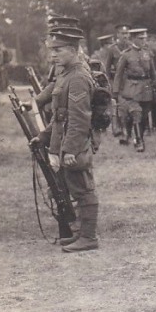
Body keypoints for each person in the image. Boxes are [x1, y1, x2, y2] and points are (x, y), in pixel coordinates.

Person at [34, 28, 101, 252]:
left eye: (59, 50)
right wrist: (44, 136)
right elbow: (60, 115)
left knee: (82, 187)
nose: (53, 55)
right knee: (72, 186)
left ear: (73, 50)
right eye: (52, 50)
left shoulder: (79, 77)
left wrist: (70, 149)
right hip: (64, 140)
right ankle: (81, 233)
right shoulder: (66, 74)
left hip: (74, 142)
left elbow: (79, 119)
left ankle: (89, 237)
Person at [112, 28, 156, 152]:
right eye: (141, 38)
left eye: (145, 38)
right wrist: (115, 91)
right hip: (132, 87)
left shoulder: (148, 53)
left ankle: (137, 135)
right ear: (134, 39)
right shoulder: (126, 54)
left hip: (146, 87)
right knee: (136, 113)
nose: (144, 40)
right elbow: (118, 74)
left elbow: (153, 71)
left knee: (143, 116)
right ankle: (138, 141)